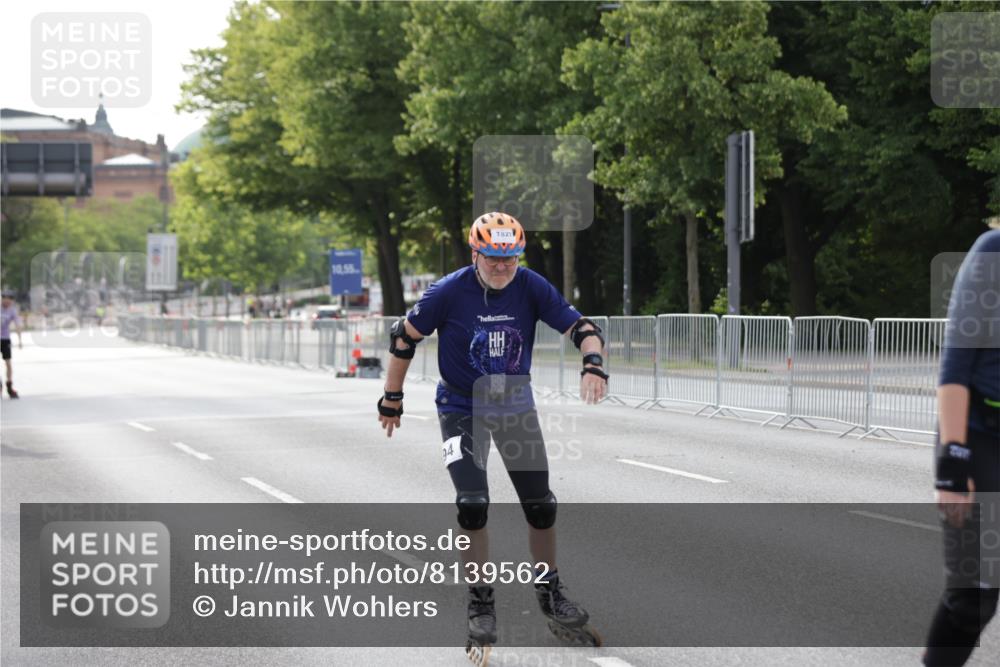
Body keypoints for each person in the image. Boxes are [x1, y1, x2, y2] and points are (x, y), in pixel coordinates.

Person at [376, 212, 608, 648]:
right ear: (475, 254)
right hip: (461, 408)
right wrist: (392, 397)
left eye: (510, 258)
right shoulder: (448, 291)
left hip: (514, 406)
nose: (502, 267)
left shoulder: (531, 285)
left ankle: (550, 592)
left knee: (540, 506)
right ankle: (480, 602)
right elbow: (403, 338)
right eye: (493, 258)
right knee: (472, 505)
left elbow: (583, 328)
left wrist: (593, 364)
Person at [923, 228, 1000, 666]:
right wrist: (953, 461)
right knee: (973, 597)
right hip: (978, 435)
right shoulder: (992, 252)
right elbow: (955, 363)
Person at [1, 291, 24, 399]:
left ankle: (9, 386)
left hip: (5, 339)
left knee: (8, 363)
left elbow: (17, 325)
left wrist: (20, 340)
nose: (7, 301)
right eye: (5, 299)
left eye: (10, 300)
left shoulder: (12, 311)